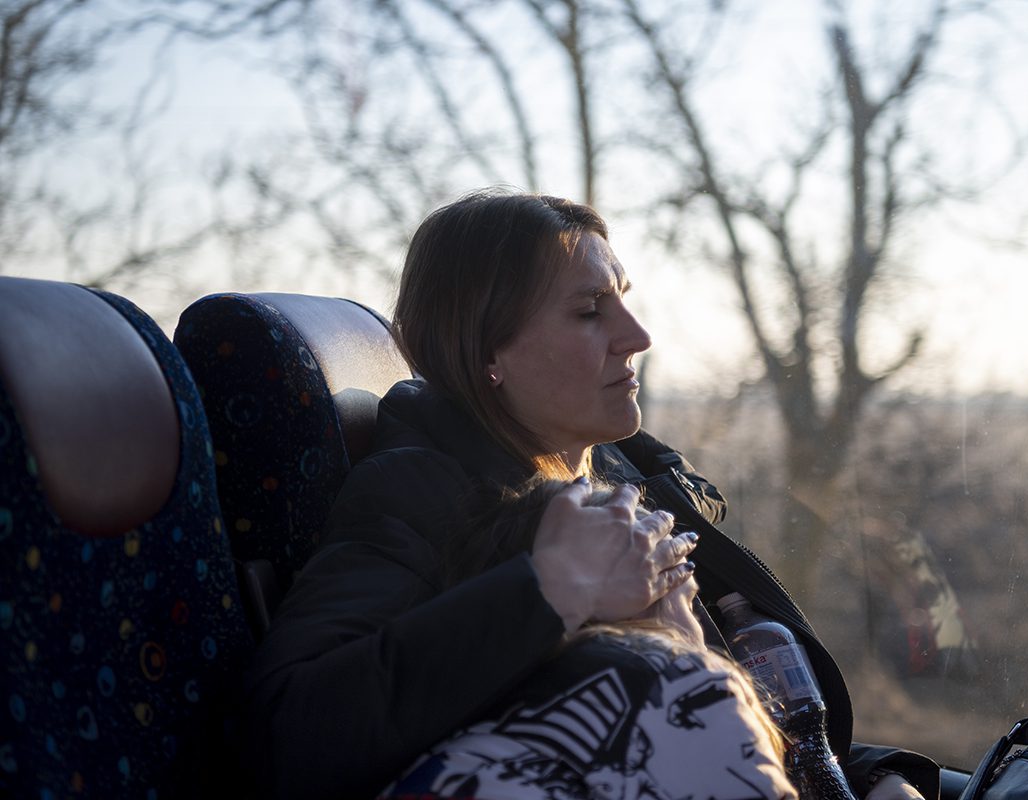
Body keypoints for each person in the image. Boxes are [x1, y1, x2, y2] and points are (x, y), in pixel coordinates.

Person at [243, 189, 937, 800]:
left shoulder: (619, 476)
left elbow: (741, 711)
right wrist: (547, 590)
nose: (637, 337)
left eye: (624, 300)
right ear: (488, 352)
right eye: (589, 313)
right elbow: (287, 739)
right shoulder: (419, 489)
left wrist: (875, 776)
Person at [379, 478, 794, 800]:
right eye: (686, 601)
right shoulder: (671, 683)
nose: (699, 633)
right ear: (643, 596)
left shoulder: (457, 701)